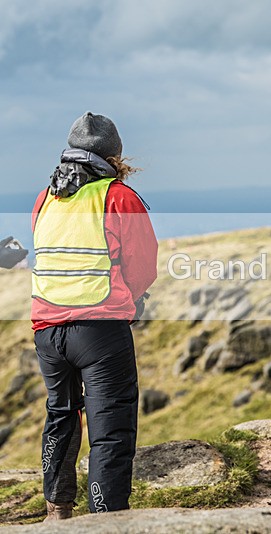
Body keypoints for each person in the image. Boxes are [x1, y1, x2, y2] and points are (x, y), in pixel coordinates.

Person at [31, 112, 158, 520]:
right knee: (110, 426)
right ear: (114, 155)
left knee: (60, 416)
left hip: (47, 332)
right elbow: (143, 267)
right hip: (99, 332)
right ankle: (107, 517)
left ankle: (57, 510)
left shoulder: (45, 198)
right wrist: (131, 301)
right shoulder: (118, 197)